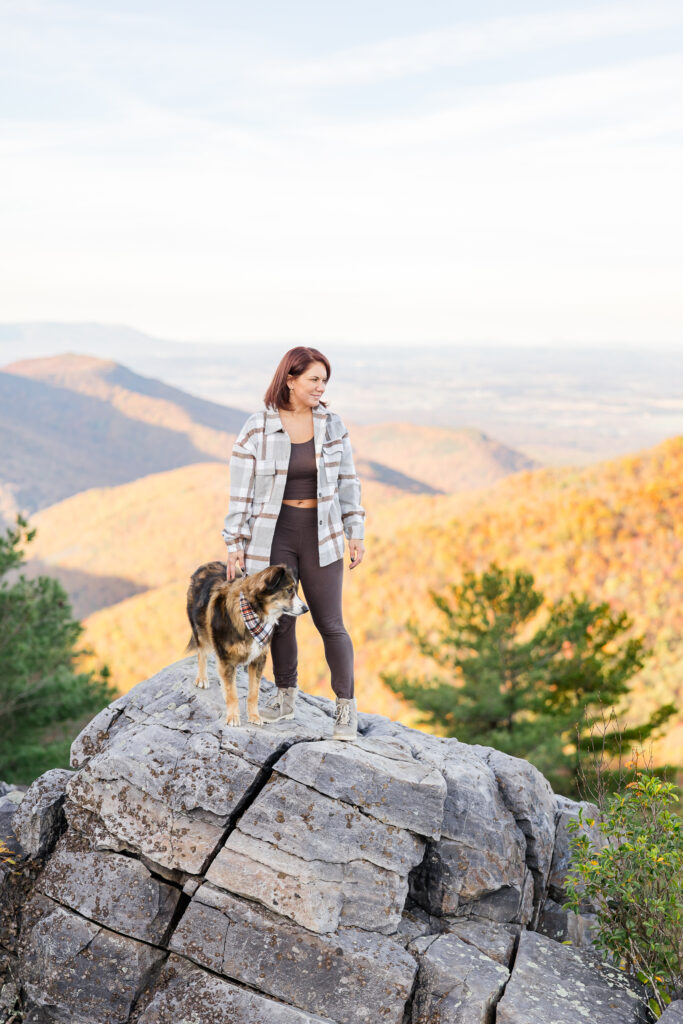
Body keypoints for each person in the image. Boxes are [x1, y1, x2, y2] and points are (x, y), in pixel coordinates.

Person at [222, 346, 365, 740]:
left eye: (324, 380)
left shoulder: (333, 426)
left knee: (330, 623)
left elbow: (348, 482)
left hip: (323, 535)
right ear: (290, 379)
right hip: (273, 536)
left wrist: (356, 531)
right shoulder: (257, 428)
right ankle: (285, 698)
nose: (321, 387)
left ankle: (345, 711)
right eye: (313, 379)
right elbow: (241, 494)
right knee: (280, 621)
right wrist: (234, 541)